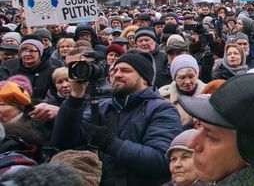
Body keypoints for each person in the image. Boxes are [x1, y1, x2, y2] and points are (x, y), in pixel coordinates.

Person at [52, 52, 182, 186]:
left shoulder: (162, 109)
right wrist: (75, 97)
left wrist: (110, 143)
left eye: (125, 70)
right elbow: (63, 142)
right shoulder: (102, 106)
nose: (117, 74)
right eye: (114, 71)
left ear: (144, 79)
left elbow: (161, 161)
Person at [159, 54, 204, 124]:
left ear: (197, 75)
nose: (187, 82)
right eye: (182, 78)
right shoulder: (164, 99)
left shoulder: (209, 94)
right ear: (174, 78)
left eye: (191, 77)